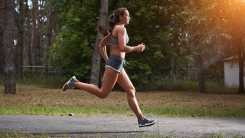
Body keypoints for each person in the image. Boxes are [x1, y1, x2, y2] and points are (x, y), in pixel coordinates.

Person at [62, 7, 156, 127]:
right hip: (115, 64)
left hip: (117, 64)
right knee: (102, 93)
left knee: (131, 89)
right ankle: (75, 83)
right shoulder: (120, 29)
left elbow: (102, 45)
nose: (129, 17)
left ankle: (141, 119)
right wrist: (135, 48)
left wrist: (108, 60)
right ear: (121, 17)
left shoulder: (115, 30)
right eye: (127, 15)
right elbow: (122, 47)